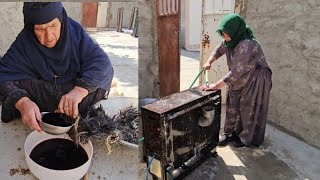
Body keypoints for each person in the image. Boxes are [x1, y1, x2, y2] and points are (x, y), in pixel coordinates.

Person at [0, 2, 114, 132]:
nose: (49, 36)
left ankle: (70, 104)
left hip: (73, 87)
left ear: (62, 21)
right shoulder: (25, 41)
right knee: (10, 90)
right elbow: (3, 73)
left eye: (53, 26)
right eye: (40, 29)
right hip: (43, 91)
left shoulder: (74, 32)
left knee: (100, 80)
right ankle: (35, 110)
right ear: (31, 28)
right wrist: (22, 102)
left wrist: (79, 91)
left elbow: (101, 63)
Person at [200, 13, 272, 147]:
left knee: (247, 108)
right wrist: (210, 61)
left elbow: (235, 72)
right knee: (232, 105)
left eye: (226, 35)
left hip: (255, 78)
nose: (224, 38)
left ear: (236, 31)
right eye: (222, 34)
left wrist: (215, 85)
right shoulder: (230, 40)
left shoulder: (247, 45)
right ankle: (229, 133)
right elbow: (219, 49)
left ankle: (244, 137)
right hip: (239, 77)